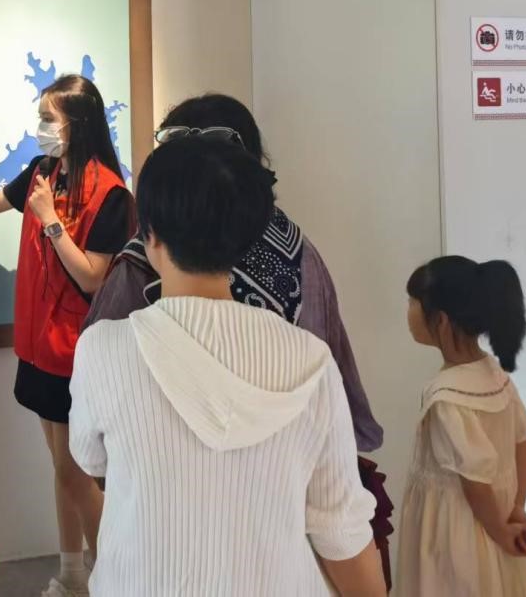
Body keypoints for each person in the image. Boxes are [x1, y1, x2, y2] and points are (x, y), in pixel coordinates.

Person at [83, 94, 393, 582]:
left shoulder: (112, 326)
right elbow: (341, 527)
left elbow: (96, 458)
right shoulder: (304, 278)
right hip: (284, 550)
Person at [0, 74, 132, 597]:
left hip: (75, 352)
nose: (42, 127)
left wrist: (50, 220)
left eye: (50, 119)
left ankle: (115, 578)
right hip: (38, 348)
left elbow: (92, 277)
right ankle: (73, 574)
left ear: (79, 124)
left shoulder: (111, 194)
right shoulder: (42, 172)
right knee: (62, 468)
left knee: (74, 473)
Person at [396, 257, 526, 596]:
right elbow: (522, 442)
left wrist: (500, 532)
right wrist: (515, 508)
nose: (408, 311)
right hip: (495, 520)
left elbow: (475, 483)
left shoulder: (446, 396)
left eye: (412, 302)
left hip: (456, 536)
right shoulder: (494, 375)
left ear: (441, 319)